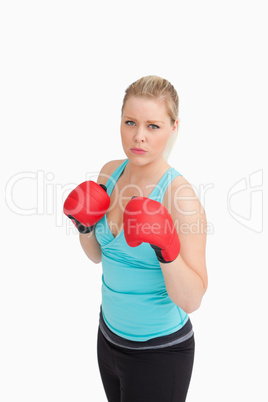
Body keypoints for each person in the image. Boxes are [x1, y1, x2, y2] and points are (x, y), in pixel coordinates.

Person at [63, 75, 208, 402]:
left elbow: (192, 300)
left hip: (160, 352)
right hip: (108, 339)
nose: (138, 136)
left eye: (153, 126)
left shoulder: (179, 196)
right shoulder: (109, 173)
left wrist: (166, 249)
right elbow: (98, 256)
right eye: (130, 122)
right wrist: (84, 227)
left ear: (173, 128)